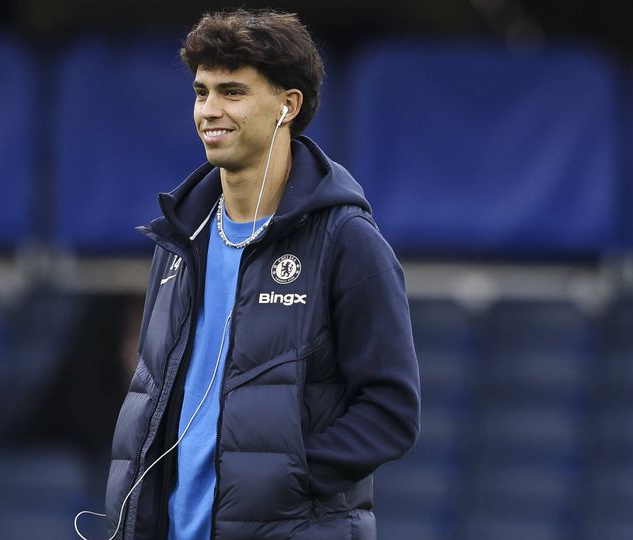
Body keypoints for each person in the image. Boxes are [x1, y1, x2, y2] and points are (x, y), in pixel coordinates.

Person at [102, 9, 420, 540]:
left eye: (233, 92)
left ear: (287, 106)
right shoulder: (180, 239)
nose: (209, 110)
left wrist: (287, 479)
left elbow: (391, 411)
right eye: (202, 92)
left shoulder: (347, 240)